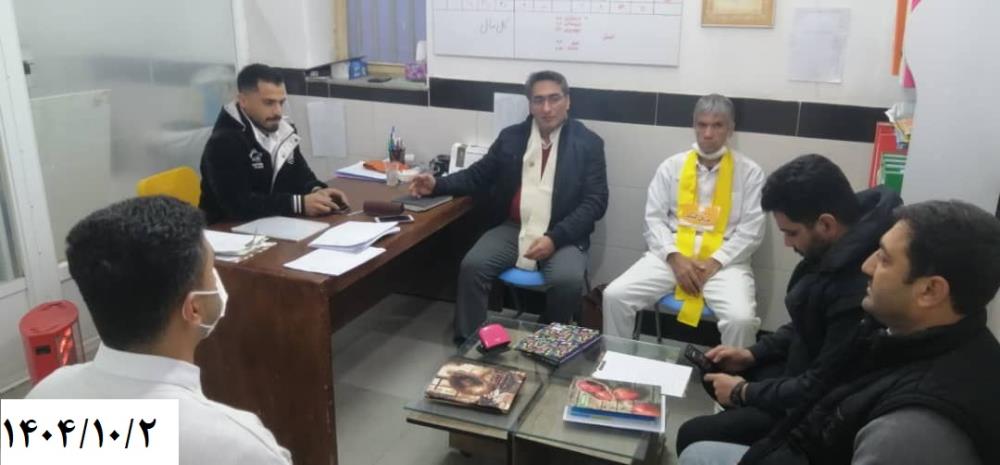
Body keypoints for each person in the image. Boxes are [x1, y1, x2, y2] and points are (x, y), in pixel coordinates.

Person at [680, 200, 1000, 465]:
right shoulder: (897, 330)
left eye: (885, 259)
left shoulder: (910, 431)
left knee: (697, 449)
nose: (867, 266)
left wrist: (743, 393)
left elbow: (815, 389)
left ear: (930, 291)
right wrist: (753, 358)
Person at [28, 196, 292, 465]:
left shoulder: (43, 398)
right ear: (194, 308)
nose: (216, 280)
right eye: (211, 270)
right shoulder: (240, 448)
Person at [676, 154, 901, 452]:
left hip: (812, 410)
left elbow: (820, 385)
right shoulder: (841, 244)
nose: (787, 243)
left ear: (826, 224)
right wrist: (751, 354)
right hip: (800, 370)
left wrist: (744, 392)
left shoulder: (858, 290)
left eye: (791, 233)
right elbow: (804, 324)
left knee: (692, 434)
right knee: (715, 375)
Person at [409, 70, 608, 342]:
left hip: (564, 234)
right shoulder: (512, 138)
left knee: (567, 280)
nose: (547, 108)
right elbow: (478, 175)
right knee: (472, 266)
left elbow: (595, 202)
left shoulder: (588, 144)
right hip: (515, 228)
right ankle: (470, 343)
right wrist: (436, 185)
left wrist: (555, 237)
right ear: (530, 104)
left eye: (554, 99)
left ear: (568, 101)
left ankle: (547, 343)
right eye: (538, 100)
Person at [602, 94, 764, 348]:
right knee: (615, 295)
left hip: (725, 262)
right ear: (694, 125)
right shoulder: (671, 167)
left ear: (731, 128)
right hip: (671, 256)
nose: (708, 133)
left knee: (741, 320)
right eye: (702, 124)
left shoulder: (750, 173)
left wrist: (714, 262)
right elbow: (653, 220)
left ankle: (732, 374)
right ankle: (615, 363)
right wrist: (675, 258)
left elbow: (751, 231)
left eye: (717, 125)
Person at [199, 63, 348, 224]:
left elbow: (299, 174)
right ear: (243, 101)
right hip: (225, 231)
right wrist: (299, 204)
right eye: (269, 103)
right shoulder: (224, 141)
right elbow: (238, 205)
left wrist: (317, 190)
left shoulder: (283, 129)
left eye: (281, 103)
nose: (278, 112)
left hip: (273, 224)